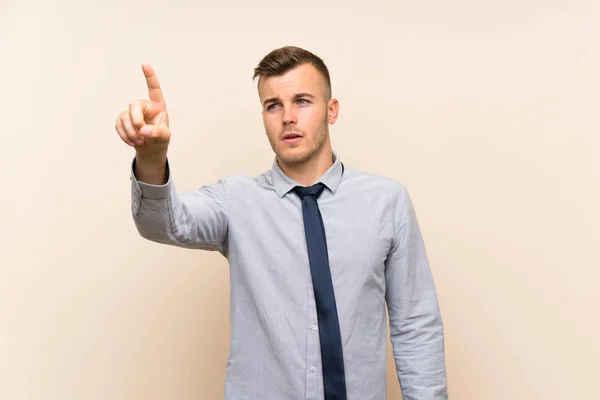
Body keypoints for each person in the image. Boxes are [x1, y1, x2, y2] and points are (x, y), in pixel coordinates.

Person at [115, 46, 448, 400]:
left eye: (302, 101)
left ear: (331, 111)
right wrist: (151, 158)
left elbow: (416, 326)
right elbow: (164, 223)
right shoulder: (236, 200)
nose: (287, 117)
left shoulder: (387, 201)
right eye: (273, 105)